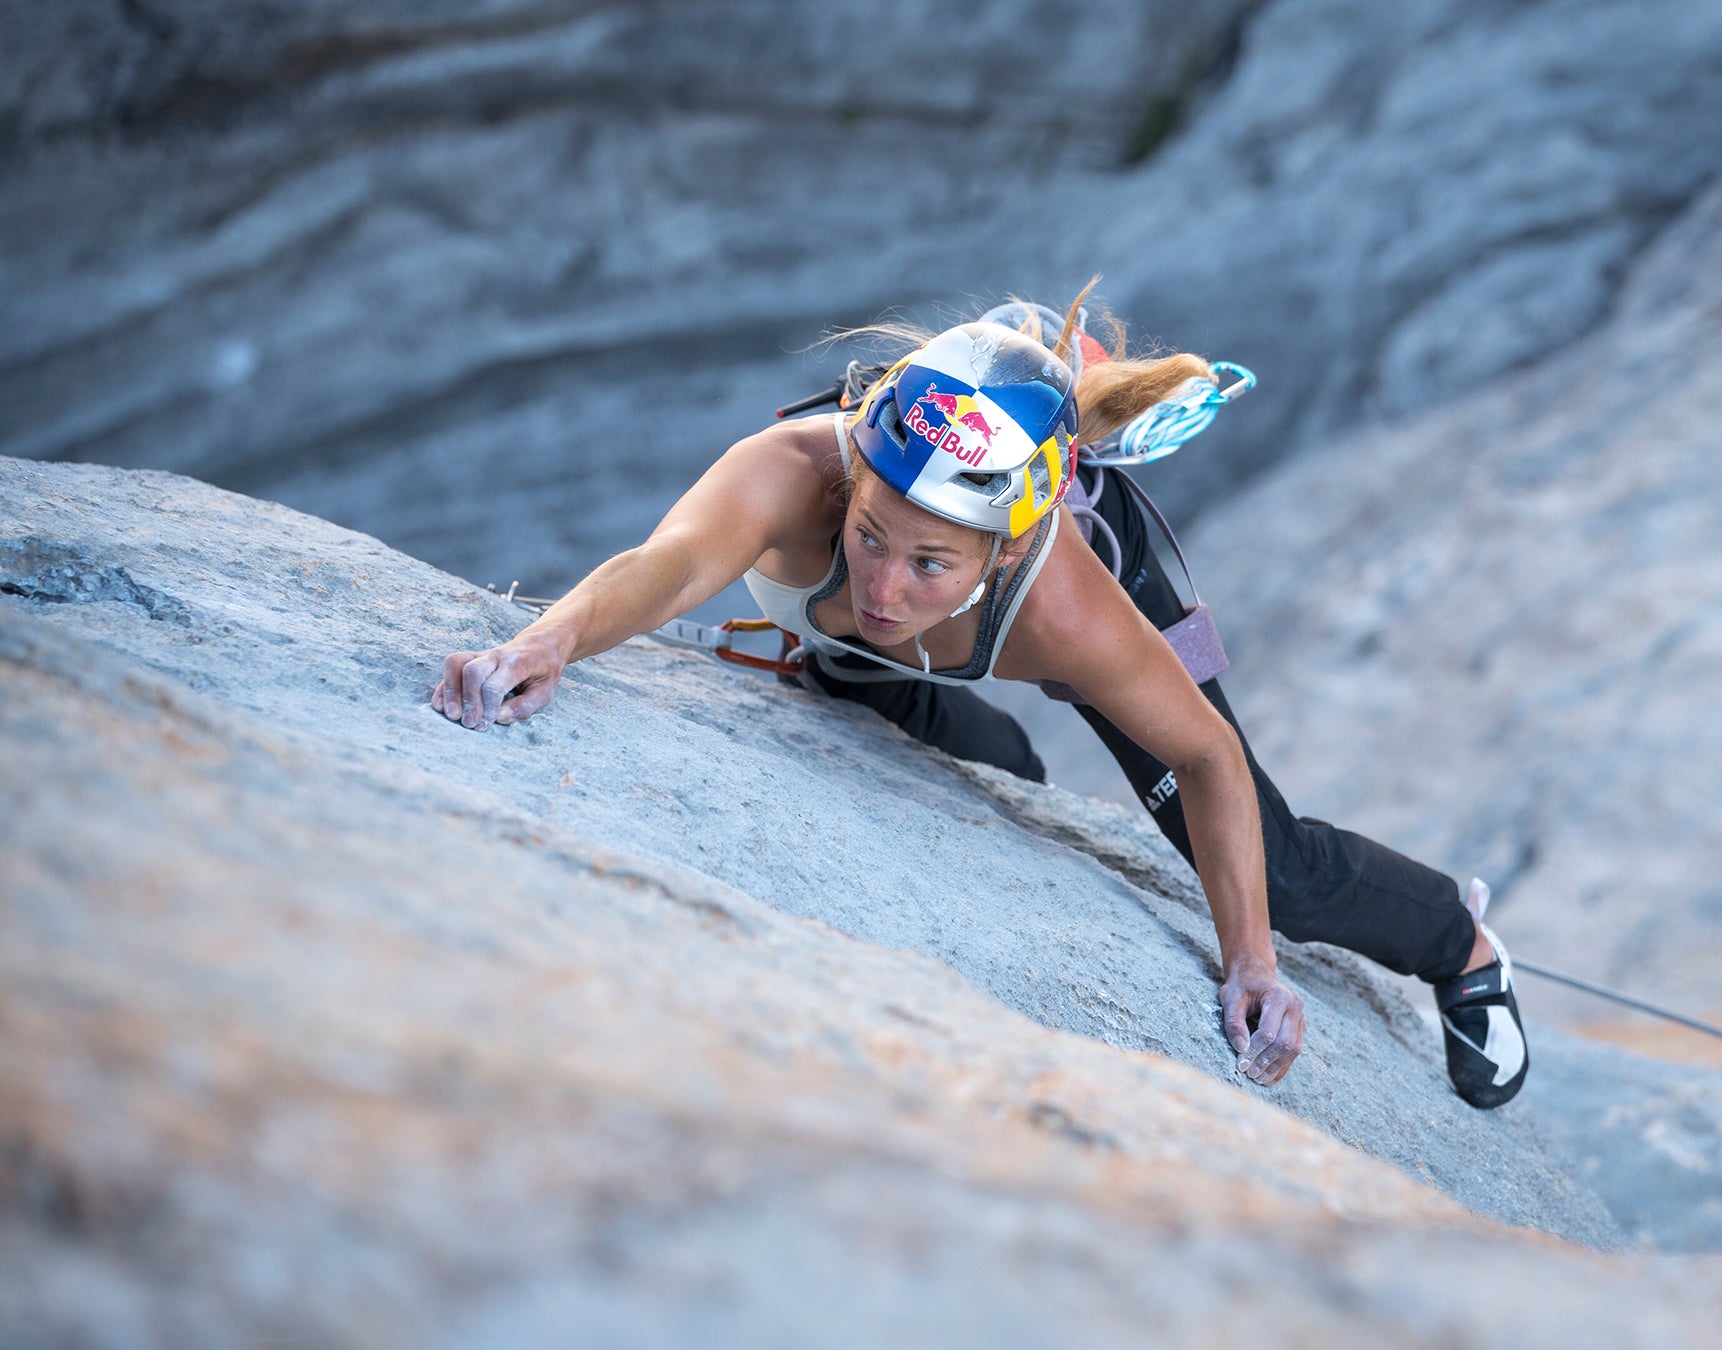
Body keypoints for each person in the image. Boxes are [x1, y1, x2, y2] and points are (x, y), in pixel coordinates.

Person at [430, 289, 1529, 1107]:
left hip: (1086, 578)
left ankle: (1458, 946)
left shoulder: (1065, 609)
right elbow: (669, 564)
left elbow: (1207, 761)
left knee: (1269, 873)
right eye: (869, 537)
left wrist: (1252, 959)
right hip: (917, 635)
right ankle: (956, 733)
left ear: (1000, 558)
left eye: (929, 567)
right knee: (912, 712)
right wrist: (550, 638)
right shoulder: (790, 472)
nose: (882, 583)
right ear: (850, 478)